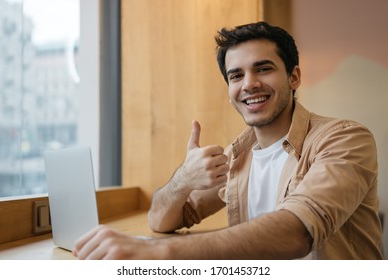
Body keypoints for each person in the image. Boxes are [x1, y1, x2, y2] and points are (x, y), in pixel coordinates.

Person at [73, 21, 383, 259]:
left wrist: (155, 254)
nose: (249, 84)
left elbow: (298, 230)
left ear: (294, 77)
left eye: (263, 69)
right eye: (236, 75)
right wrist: (183, 179)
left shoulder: (345, 139)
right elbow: (161, 221)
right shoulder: (238, 157)